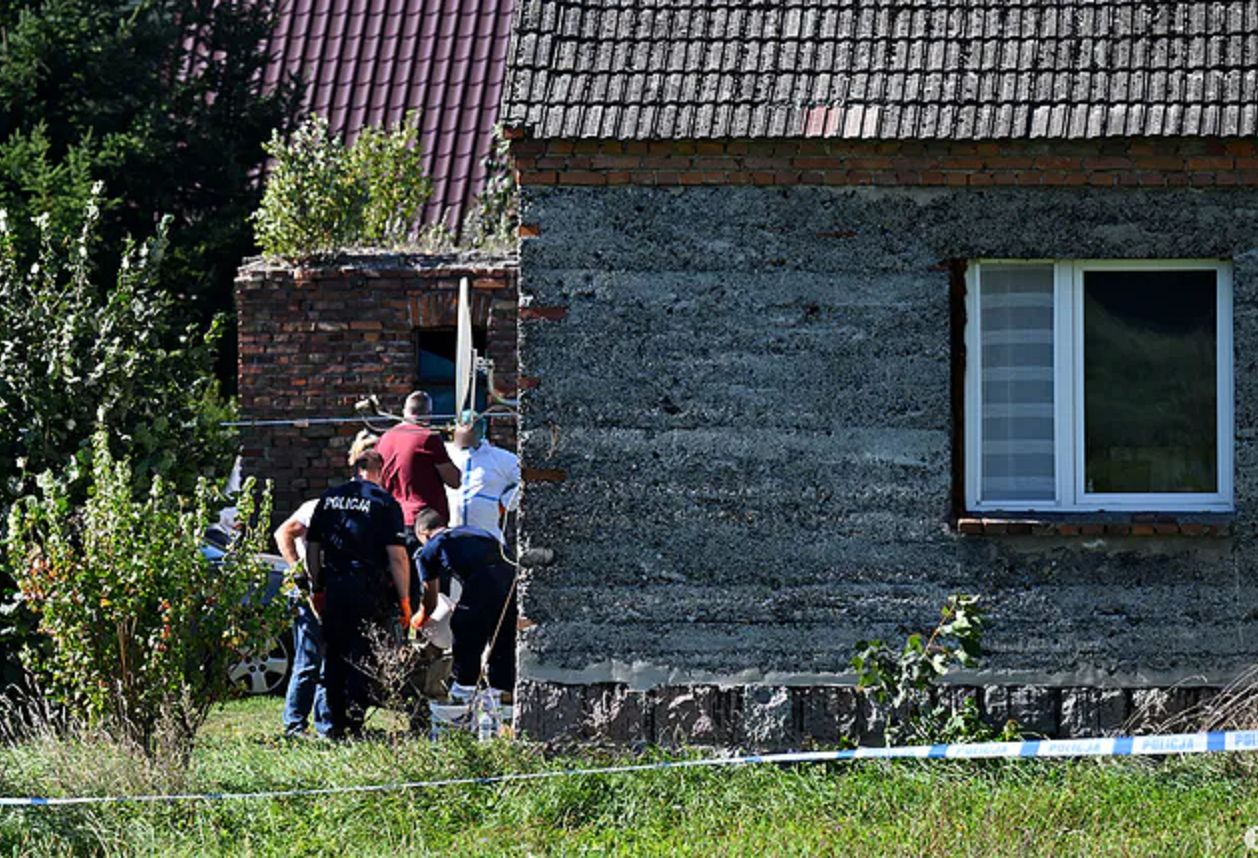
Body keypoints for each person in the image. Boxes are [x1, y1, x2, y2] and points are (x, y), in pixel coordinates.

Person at [305, 447, 411, 739]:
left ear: (354, 468)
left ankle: (330, 724)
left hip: (335, 585)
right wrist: (404, 601)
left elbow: (313, 547)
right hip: (366, 587)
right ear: (383, 471)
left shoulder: (328, 499)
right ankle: (353, 722)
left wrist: (317, 587)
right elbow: (398, 557)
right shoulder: (383, 501)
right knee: (362, 656)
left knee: (334, 655)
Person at [411, 508, 517, 696]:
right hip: (511, 577)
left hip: (482, 580)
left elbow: (430, 599)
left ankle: (464, 690)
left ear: (423, 534)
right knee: (502, 637)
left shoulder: (430, 548)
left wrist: (419, 618)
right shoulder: (470, 532)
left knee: (464, 628)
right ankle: (501, 694)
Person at [274, 497, 332, 738]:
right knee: (308, 659)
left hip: (330, 590)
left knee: (328, 660)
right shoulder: (316, 508)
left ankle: (324, 724)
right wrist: (298, 571)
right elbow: (283, 533)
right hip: (308, 592)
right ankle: (295, 724)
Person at [377, 391, 461, 540]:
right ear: (429, 414)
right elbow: (454, 481)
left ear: (404, 411)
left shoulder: (385, 438)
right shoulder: (428, 437)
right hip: (423, 522)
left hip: (391, 518)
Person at [443, 416, 520, 544]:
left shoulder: (500, 458)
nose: (464, 436)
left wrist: (507, 502)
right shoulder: (444, 452)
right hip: (450, 534)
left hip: (488, 535)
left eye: (471, 432)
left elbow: (526, 479)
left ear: (480, 432)